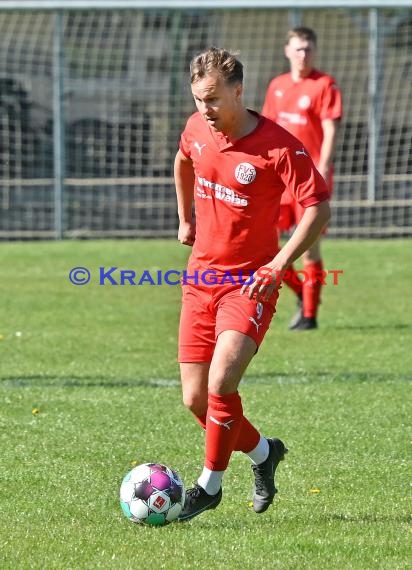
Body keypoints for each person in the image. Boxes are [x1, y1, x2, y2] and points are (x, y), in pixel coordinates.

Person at [174, 46, 330, 522]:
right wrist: (185, 219)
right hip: (200, 280)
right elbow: (182, 160)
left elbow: (318, 207)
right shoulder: (198, 128)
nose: (205, 110)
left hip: (249, 284)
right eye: (199, 99)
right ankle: (264, 453)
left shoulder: (278, 145)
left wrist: (280, 262)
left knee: (223, 381)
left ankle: (210, 485)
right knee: (195, 399)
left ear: (238, 92)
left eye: (214, 99)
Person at [262, 27, 343, 330]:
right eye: (298, 49)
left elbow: (331, 129)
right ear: (287, 51)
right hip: (279, 178)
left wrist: (323, 166)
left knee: (309, 246)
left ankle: (310, 315)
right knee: (270, 246)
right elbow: (268, 128)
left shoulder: (325, 85)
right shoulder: (277, 85)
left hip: (310, 178)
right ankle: (300, 292)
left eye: (308, 49)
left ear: (315, 51)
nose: (303, 54)